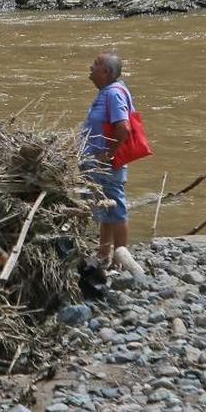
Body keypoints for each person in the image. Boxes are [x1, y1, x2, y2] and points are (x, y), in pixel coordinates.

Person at [82, 51, 135, 267]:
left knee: (115, 206)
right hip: (100, 164)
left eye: (95, 65)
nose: (90, 68)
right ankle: (103, 256)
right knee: (105, 209)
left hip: (106, 164)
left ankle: (119, 259)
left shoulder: (113, 93)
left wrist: (108, 153)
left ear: (106, 72)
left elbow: (123, 128)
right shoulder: (108, 91)